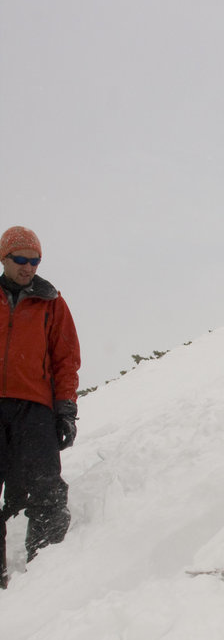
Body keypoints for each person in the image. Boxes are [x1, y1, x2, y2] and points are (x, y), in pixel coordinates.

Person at [1, 226, 80, 588]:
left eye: (34, 260)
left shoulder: (51, 302)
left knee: (47, 491)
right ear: (5, 257)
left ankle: (44, 582)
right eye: (21, 259)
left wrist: (65, 409)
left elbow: (66, 359)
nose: (28, 266)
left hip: (35, 409)